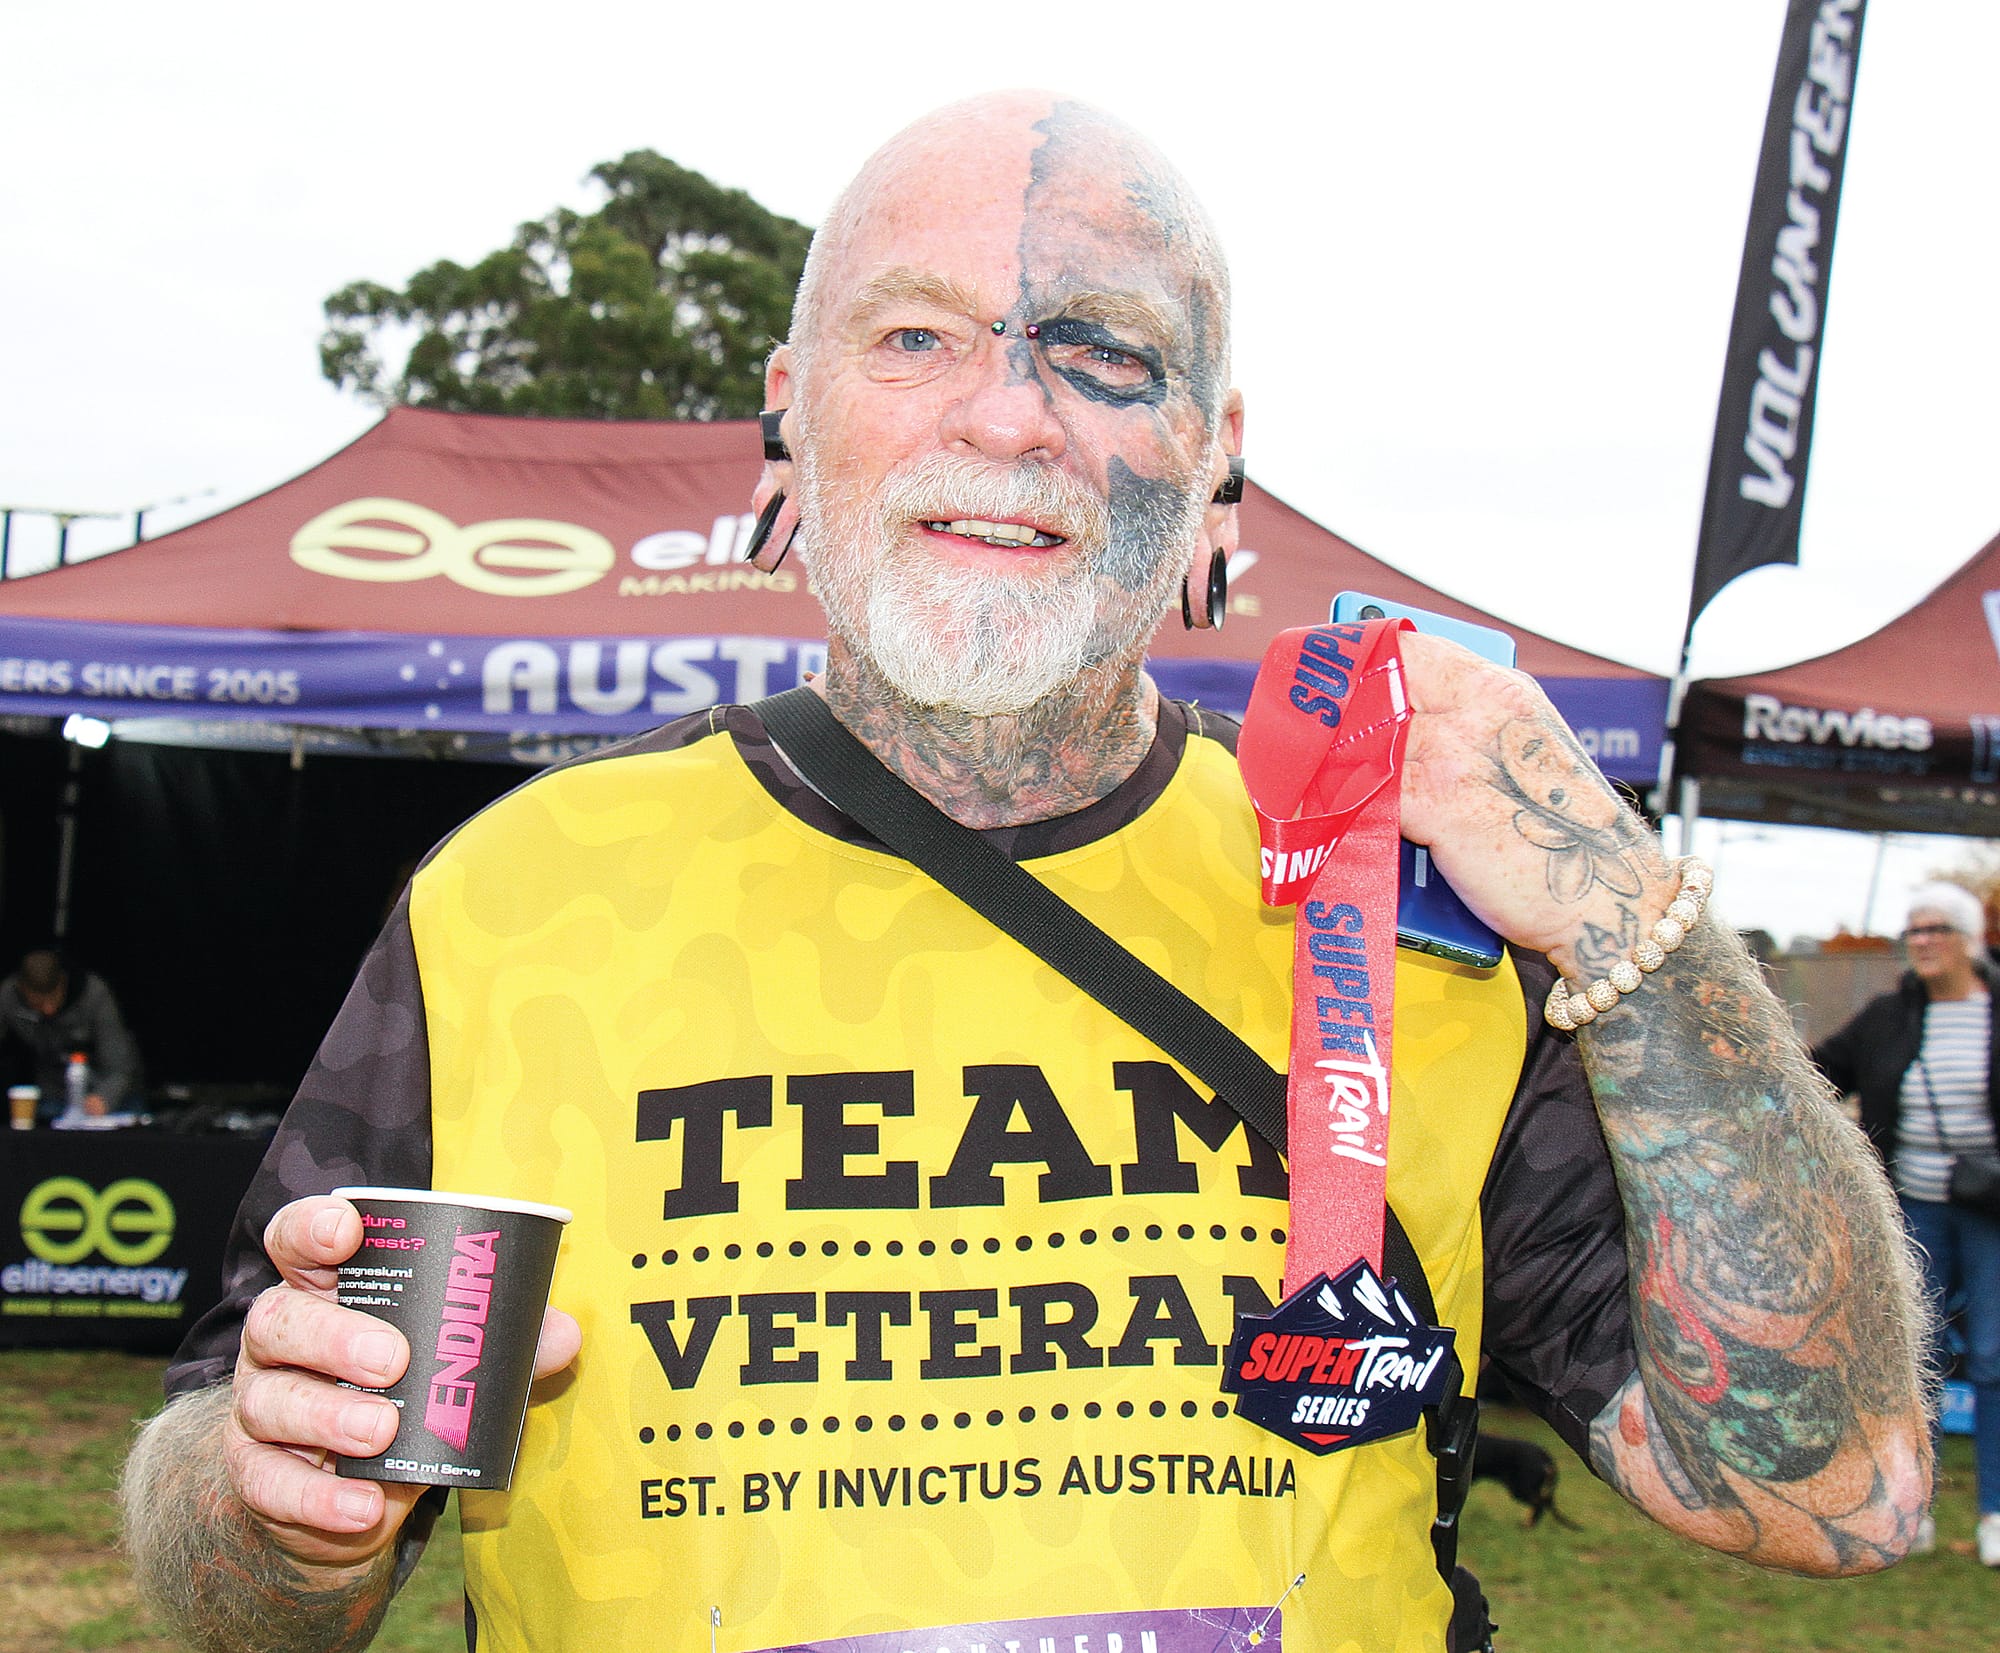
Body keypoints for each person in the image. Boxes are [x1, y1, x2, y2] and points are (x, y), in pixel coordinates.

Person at [120, 93, 1931, 1653]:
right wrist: (276, 1504)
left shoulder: (1410, 912)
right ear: (789, 410)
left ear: (1217, 465)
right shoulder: (515, 897)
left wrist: (1625, 907)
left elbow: (1826, 1486)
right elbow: (236, 1563)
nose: (1008, 418)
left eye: (1104, 353)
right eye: (914, 339)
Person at [1814, 880, 2000, 1564]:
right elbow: (1820, 1072)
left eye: (1936, 929)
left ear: (1967, 940)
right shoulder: (1890, 1015)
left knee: (1991, 1358)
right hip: (1911, 1209)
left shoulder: (1991, 1011)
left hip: (1990, 1213)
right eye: (1914, 929)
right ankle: (1910, 1507)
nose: (1921, 940)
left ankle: (1994, 1512)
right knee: (1912, 1359)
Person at [0, 947, 143, 1121]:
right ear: (22, 989)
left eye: (53, 998)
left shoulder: (95, 994)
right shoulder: (8, 996)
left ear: (62, 981)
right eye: (38, 1003)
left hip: (109, 1095)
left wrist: (104, 1097)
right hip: (53, 1098)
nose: (48, 1009)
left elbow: (119, 1065)